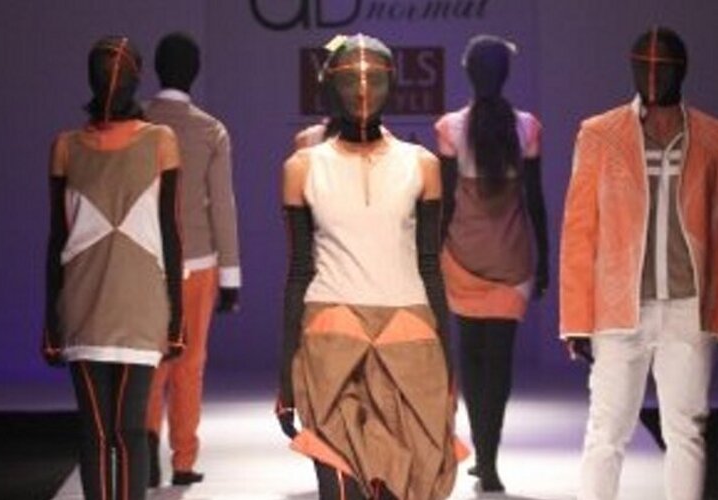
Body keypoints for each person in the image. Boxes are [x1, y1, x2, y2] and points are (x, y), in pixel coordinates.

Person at [559, 26, 718, 500]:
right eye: (642, 66)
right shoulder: (599, 134)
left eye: (661, 67)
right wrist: (576, 319)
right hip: (617, 307)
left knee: (686, 429)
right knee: (606, 431)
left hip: (689, 306)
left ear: (681, 71)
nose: (650, 75)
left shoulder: (716, 137)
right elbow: (580, 230)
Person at [277, 33, 463, 500]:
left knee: (405, 484)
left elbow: (430, 265)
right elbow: (299, 270)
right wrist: (285, 377)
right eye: (349, 81)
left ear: (392, 86)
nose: (362, 92)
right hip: (330, 332)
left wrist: (448, 366)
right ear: (330, 86)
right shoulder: (302, 167)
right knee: (340, 488)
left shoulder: (422, 165)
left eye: (375, 80)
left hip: (409, 335)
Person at [42, 36, 184, 500]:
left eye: (119, 73)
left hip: (140, 303)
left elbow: (171, 233)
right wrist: (50, 322)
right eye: (103, 72)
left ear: (136, 79)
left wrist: (177, 318)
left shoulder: (160, 141)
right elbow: (57, 239)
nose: (111, 80)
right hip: (84, 303)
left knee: (125, 429)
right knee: (99, 431)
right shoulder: (65, 146)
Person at [432, 34, 546, 493]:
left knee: (471, 360)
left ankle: (483, 455)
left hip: (462, 256)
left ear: (467, 72)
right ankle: (489, 460)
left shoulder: (450, 128)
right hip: (513, 259)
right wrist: (545, 260)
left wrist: (429, 259)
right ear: (506, 74)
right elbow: (535, 200)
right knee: (499, 366)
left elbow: (444, 205)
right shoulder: (527, 127)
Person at [140, 32, 240, 488]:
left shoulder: (137, 123)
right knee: (189, 364)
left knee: (149, 361)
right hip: (198, 262)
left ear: (156, 68)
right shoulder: (209, 129)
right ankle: (183, 459)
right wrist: (232, 275)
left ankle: (146, 452)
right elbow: (221, 205)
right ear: (195, 71)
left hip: (145, 262)